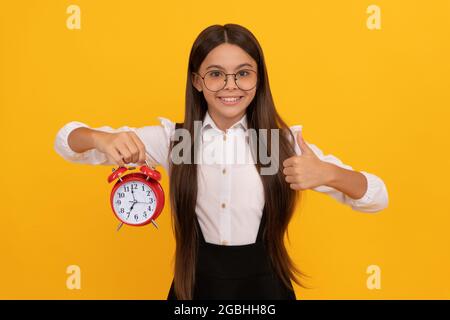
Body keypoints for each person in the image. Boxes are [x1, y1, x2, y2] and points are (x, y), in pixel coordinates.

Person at [54, 23, 389, 300]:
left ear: (258, 81)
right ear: (198, 81)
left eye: (243, 74)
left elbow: (377, 197)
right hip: (194, 295)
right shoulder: (177, 140)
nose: (231, 86)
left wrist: (329, 174)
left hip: (266, 296)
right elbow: (67, 141)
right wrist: (102, 138)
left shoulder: (279, 143)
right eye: (216, 74)